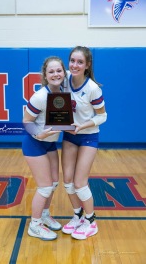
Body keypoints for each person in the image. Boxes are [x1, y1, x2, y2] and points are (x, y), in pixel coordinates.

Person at [61, 46, 107, 240]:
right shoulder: (63, 80)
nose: (75, 65)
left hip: (88, 136)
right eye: (72, 60)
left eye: (80, 62)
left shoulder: (92, 89)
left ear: (87, 65)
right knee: (68, 181)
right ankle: (78, 215)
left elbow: (103, 116)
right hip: (70, 136)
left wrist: (82, 126)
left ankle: (91, 221)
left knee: (80, 182)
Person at [22, 56, 67, 241]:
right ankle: (35, 225)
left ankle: (45, 215)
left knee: (54, 182)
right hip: (35, 143)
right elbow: (26, 122)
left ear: (64, 72)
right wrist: (38, 135)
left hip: (50, 143)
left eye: (59, 70)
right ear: (45, 75)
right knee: (45, 187)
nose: (56, 74)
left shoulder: (65, 91)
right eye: (51, 71)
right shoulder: (40, 97)